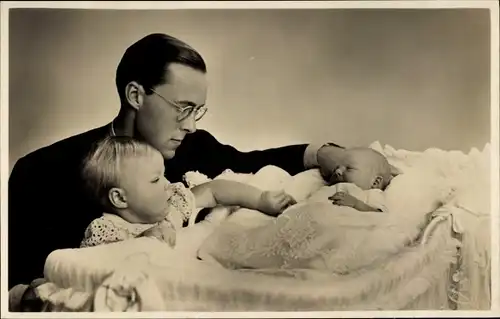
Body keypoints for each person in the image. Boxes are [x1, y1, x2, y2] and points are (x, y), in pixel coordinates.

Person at [7, 32, 386, 292]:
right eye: (182, 109)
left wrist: (325, 153)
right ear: (136, 94)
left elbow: (254, 162)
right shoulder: (41, 172)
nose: (189, 125)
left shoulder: (194, 147)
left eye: (197, 111)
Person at [79, 136, 296, 248]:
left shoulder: (171, 203)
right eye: (155, 179)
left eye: (163, 175)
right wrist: (143, 241)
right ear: (119, 198)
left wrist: (260, 199)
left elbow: (214, 190)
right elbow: (94, 268)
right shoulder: (106, 230)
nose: (167, 183)